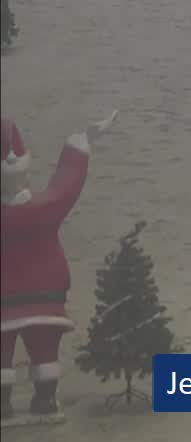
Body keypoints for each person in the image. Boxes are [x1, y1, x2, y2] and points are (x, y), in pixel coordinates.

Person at [2, 110, 115, 424]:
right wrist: (82, 141)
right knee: (44, 350)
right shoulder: (46, 208)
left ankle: (5, 405)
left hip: (5, 296)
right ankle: (45, 401)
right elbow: (67, 183)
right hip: (45, 293)